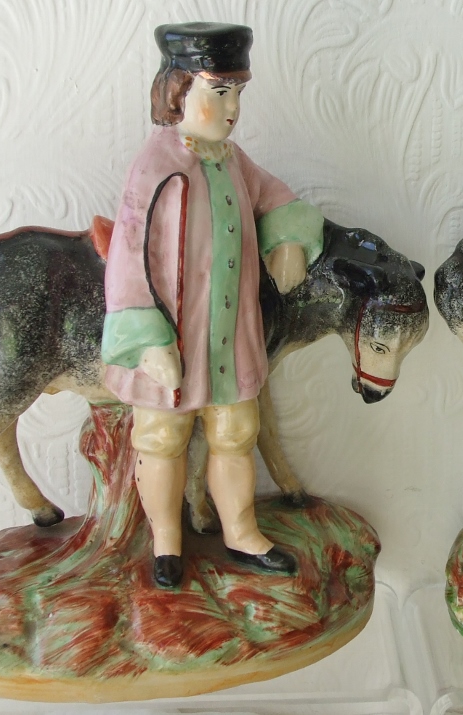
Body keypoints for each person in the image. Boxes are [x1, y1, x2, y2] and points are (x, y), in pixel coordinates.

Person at [102, 23, 324, 587]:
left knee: (234, 433)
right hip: (174, 337)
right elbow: (128, 255)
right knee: (162, 438)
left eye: (238, 93)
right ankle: (166, 542)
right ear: (179, 90)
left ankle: (241, 531)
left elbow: (275, 195)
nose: (232, 109)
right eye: (219, 92)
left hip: (229, 331)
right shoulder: (156, 167)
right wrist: (147, 339)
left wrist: (288, 237)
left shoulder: (231, 159)